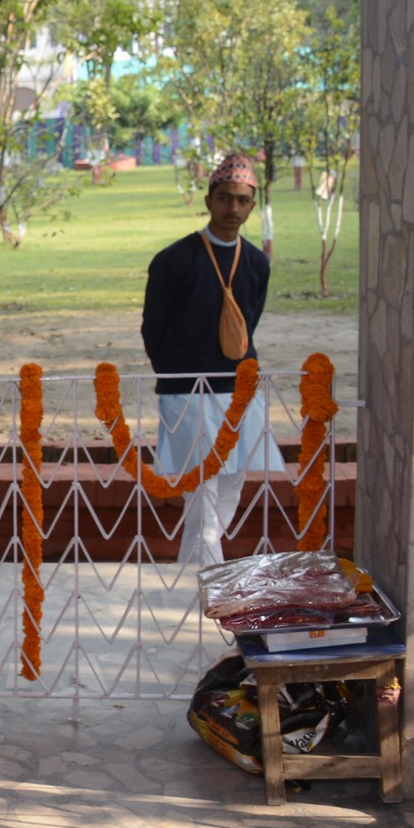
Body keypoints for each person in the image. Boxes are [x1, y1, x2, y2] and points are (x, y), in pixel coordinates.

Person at [140, 152, 281, 569]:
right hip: (188, 392)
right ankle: (209, 576)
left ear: (252, 205)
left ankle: (196, 572)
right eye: (224, 198)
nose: (233, 208)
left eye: (242, 200)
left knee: (233, 481)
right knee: (201, 486)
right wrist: (176, 375)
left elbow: (251, 320)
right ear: (208, 200)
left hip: (239, 389)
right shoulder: (174, 260)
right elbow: (153, 328)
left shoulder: (256, 262)